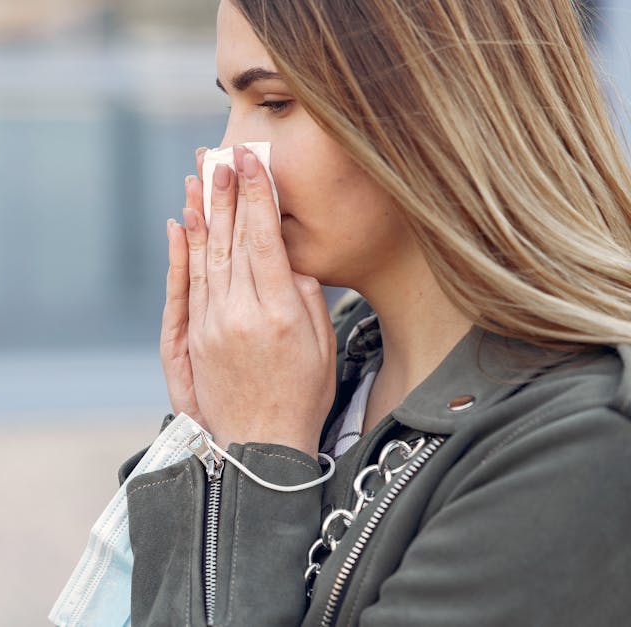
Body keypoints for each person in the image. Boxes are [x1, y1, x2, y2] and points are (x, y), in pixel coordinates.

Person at [51, 0, 631, 625]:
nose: (224, 157)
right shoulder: (312, 366)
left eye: (274, 103)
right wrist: (210, 441)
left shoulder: (579, 445)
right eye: (231, 105)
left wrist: (259, 459)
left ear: (437, 107)